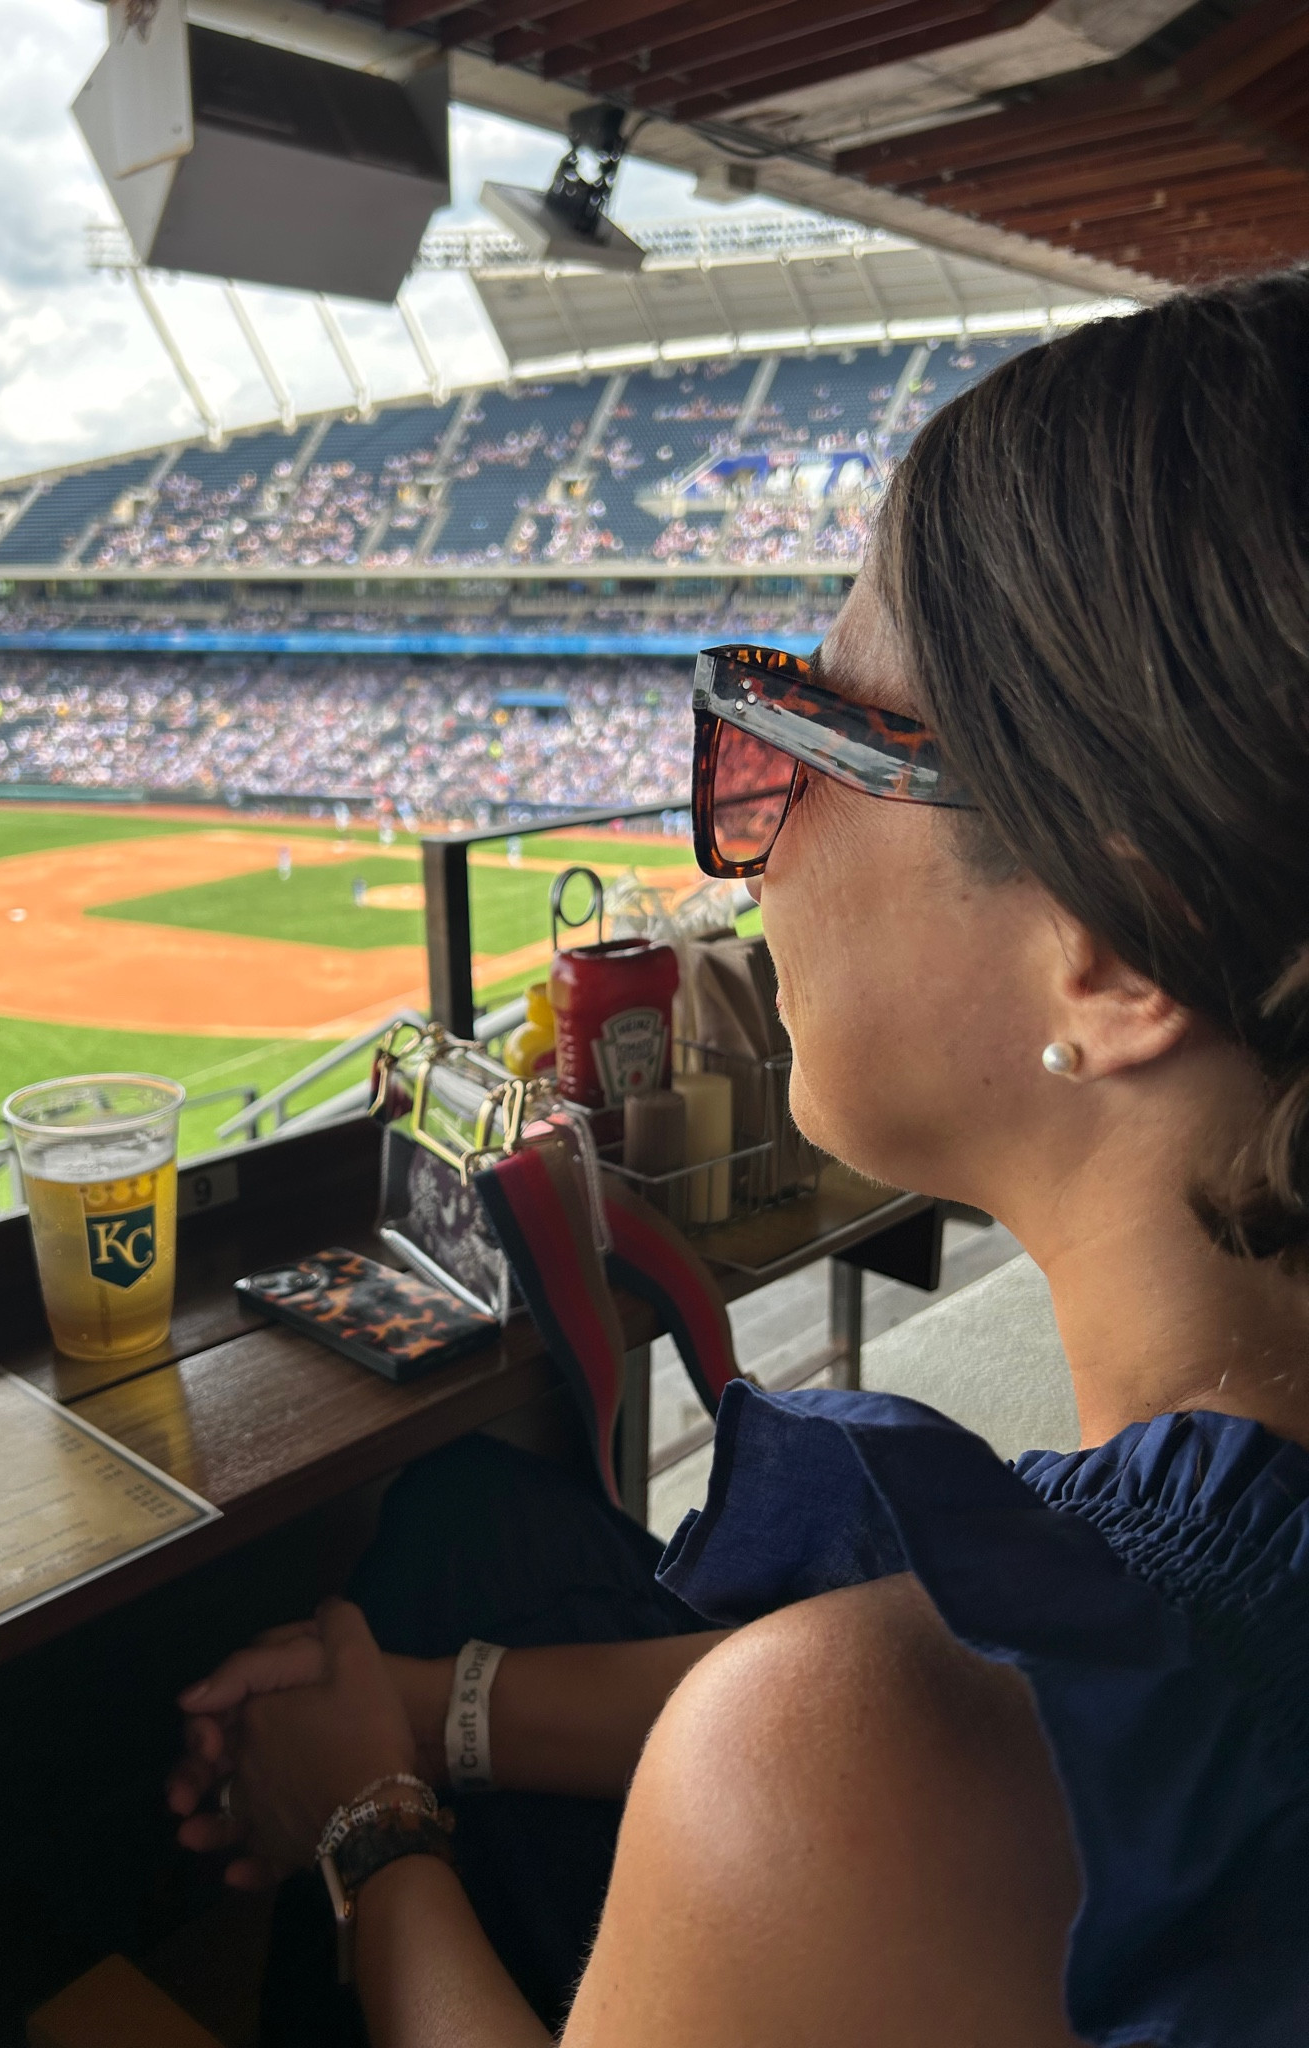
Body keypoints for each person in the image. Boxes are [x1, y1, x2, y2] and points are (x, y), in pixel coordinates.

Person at [167, 272, 1309, 2047]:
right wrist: (435, 1706)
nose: (748, 856)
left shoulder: (855, 1763)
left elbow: (872, 1746)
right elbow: (1049, 1685)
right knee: (478, 1533)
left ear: (1116, 938)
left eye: (806, 736)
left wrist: (367, 1823)